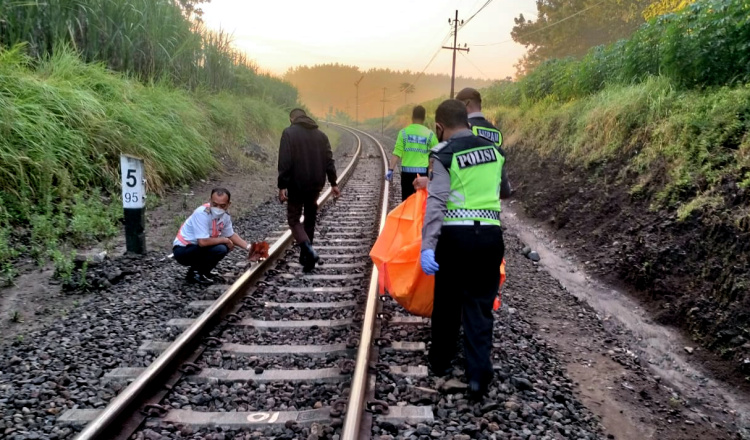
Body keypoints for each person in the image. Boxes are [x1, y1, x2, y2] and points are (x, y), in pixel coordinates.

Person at [420, 99, 512, 399]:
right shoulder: (495, 151)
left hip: (455, 238)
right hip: (490, 237)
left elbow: (437, 203)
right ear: (468, 121)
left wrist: (428, 246)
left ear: (439, 127)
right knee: (480, 306)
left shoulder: (444, 154)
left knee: (447, 301)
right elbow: (504, 191)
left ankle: (440, 363)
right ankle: (477, 375)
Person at [278, 108, 340, 272]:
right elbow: (329, 161)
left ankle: (308, 250)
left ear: (292, 119)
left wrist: (282, 185)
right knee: (310, 218)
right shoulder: (321, 135)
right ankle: (307, 258)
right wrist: (333, 183)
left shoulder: (289, 133)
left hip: (296, 184)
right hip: (316, 184)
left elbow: (285, 161)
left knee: (293, 219)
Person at [173, 188, 251, 285]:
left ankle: (204, 272)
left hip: (196, 248)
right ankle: (195, 273)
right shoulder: (202, 213)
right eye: (215, 204)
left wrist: (250, 248)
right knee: (221, 248)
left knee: (222, 247)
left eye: (222, 205)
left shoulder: (225, 216)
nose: (218, 208)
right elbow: (203, 242)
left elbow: (230, 234)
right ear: (210, 201)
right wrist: (225, 240)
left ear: (228, 204)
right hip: (183, 250)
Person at [386, 105, 438, 201]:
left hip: (406, 174)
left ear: (412, 117)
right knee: (421, 201)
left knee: (406, 201)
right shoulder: (430, 134)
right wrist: (432, 170)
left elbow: (397, 153)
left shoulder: (404, 133)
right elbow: (437, 153)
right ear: (424, 118)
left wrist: (391, 170)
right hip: (423, 174)